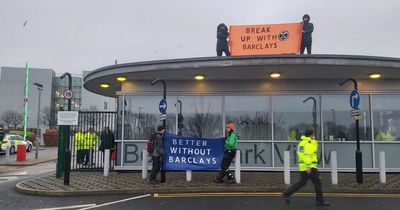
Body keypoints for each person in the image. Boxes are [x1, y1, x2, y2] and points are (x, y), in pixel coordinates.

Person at [283, 130, 330, 206]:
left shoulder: (303, 143)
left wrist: (313, 140)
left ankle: (287, 193)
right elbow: (307, 155)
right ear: (311, 135)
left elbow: (304, 154)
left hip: (303, 166)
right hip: (310, 166)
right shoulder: (308, 143)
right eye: (313, 135)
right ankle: (320, 201)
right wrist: (308, 166)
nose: (314, 136)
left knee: (302, 182)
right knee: (317, 183)